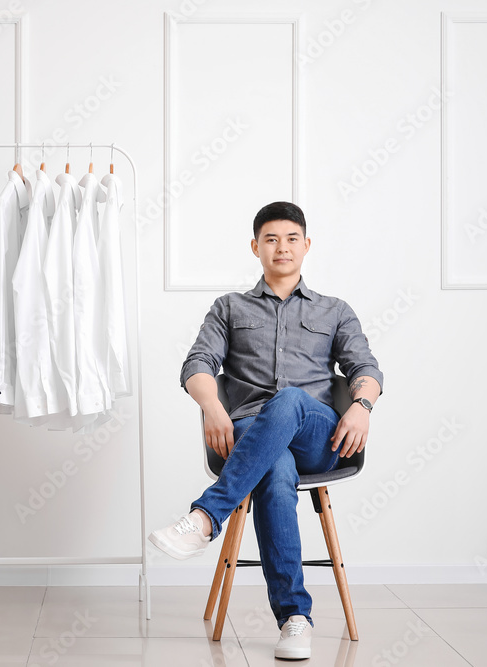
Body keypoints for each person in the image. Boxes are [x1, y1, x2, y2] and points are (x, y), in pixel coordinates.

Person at [148, 202, 383, 660]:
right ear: (255, 247)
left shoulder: (335, 310)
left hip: (320, 436)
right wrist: (213, 407)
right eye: (271, 239)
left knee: (292, 399)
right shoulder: (229, 307)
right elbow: (197, 364)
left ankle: (205, 516)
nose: (282, 247)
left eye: (291, 238)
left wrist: (362, 405)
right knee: (274, 472)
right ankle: (295, 619)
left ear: (306, 246)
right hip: (250, 435)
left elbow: (365, 366)